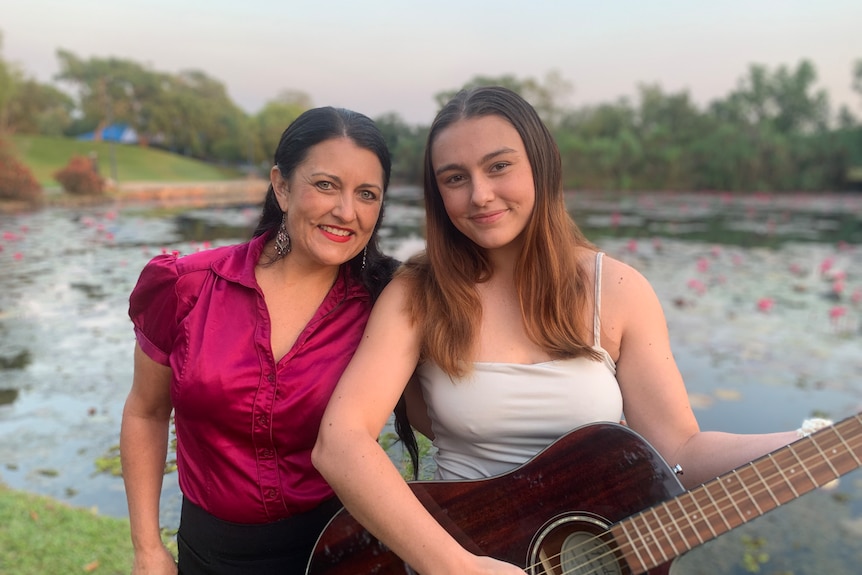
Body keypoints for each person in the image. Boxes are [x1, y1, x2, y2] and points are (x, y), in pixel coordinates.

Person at [312, 87, 814, 574]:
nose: (480, 194)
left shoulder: (617, 290)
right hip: (451, 551)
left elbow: (680, 452)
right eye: (454, 177)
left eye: (499, 166)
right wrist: (456, 567)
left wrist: (812, 441)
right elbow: (342, 441)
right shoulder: (419, 291)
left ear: (542, 163)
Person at [120, 106, 398, 575]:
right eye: (326, 184)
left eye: (366, 194)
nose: (346, 211)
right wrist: (148, 548)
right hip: (211, 552)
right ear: (282, 186)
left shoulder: (385, 304)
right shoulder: (187, 286)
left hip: (342, 548)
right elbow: (145, 411)